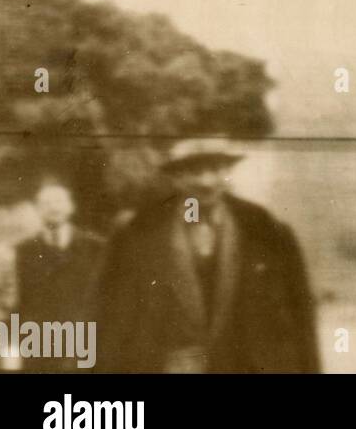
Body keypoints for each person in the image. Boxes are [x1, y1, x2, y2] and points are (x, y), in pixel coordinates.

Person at [97, 138, 319, 373]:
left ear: (228, 172)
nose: (206, 181)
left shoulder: (265, 232)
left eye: (215, 169)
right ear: (176, 176)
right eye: (194, 170)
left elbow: (300, 319)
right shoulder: (139, 234)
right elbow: (109, 316)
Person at [13, 183, 107, 372]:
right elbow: (23, 301)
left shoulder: (95, 247)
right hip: (39, 345)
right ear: (37, 210)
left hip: (83, 342)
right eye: (46, 203)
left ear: (71, 206)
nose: (53, 208)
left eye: (58, 201)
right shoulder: (25, 250)